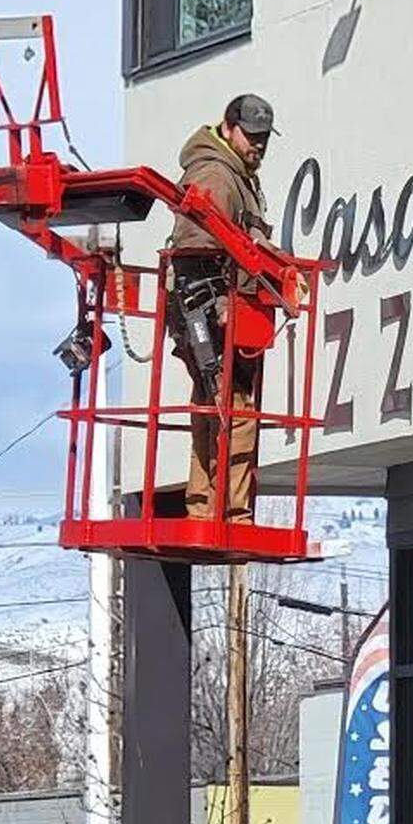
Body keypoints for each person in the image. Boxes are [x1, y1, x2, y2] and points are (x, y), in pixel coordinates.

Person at [171, 94, 278, 523]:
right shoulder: (217, 174)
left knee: (213, 404)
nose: (259, 146)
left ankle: (204, 507)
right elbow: (195, 251)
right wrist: (220, 307)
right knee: (234, 407)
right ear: (229, 127)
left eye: (264, 139)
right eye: (252, 137)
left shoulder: (233, 174)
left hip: (213, 309)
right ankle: (232, 512)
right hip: (210, 309)